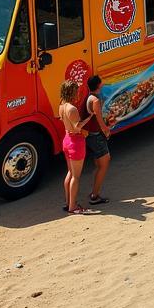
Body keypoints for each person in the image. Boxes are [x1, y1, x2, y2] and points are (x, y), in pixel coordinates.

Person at [79, 74, 112, 207]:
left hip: (90, 137)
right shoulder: (95, 100)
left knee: (98, 164)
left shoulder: (88, 97)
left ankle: (94, 191)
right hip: (96, 136)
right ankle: (95, 195)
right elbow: (99, 120)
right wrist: (107, 130)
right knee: (104, 163)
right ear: (99, 85)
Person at [59, 79, 88, 215]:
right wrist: (90, 117)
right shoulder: (72, 109)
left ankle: (68, 202)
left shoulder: (62, 106)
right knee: (76, 177)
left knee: (70, 173)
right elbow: (78, 127)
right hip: (76, 142)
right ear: (72, 92)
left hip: (67, 140)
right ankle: (72, 207)